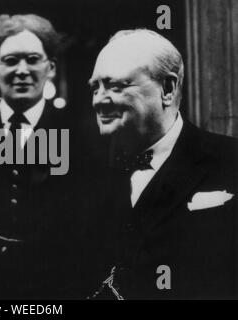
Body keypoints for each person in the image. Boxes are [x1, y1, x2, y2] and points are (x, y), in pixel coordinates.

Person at [86, 28, 238, 299]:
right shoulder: (83, 170)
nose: (99, 100)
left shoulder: (231, 161)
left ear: (167, 89)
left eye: (115, 86)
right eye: (95, 88)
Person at [0, 14, 85, 299]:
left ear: (51, 67)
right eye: (10, 60)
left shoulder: (79, 136)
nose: (22, 70)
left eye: (32, 59)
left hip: (58, 287)